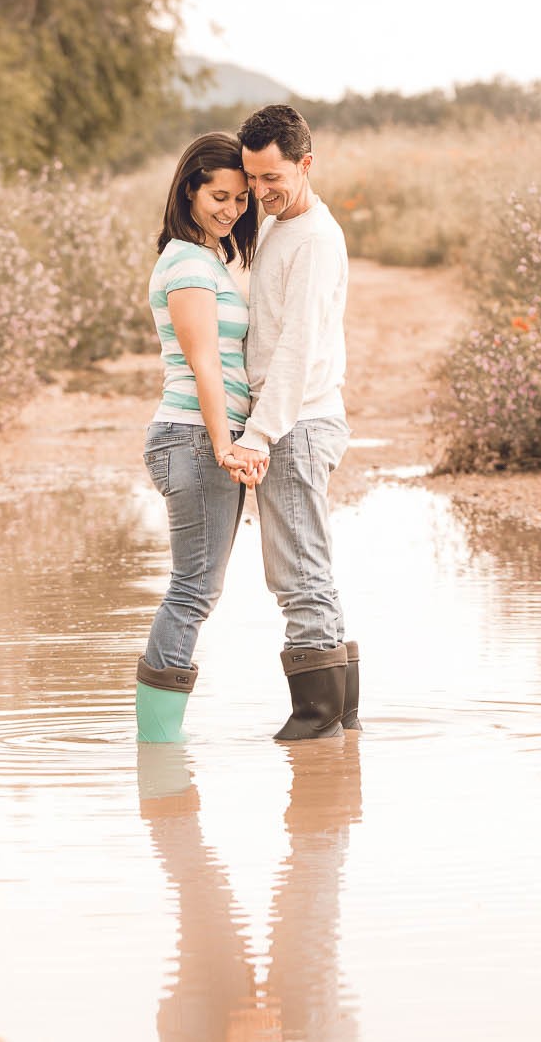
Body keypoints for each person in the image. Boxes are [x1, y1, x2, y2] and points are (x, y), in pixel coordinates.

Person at [221, 104, 361, 741]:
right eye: (251, 178)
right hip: (296, 420)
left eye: (272, 177)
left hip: (298, 423)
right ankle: (339, 719)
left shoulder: (315, 240)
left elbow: (298, 348)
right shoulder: (282, 223)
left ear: (306, 164)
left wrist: (259, 434)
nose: (259, 191)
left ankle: (316, 721)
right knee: (307, 568)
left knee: (296, 572)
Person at [135, 132, 265, 744]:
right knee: (191, 591)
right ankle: (158, 746)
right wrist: (223, 443)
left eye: (241, 199)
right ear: (188, 189)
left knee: (194, 590)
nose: (231, 209)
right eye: (219, 195)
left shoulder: (207, 258)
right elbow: (204, 362)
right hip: (193, 437)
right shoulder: (188, 262)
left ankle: (159, 742)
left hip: (194, 436)